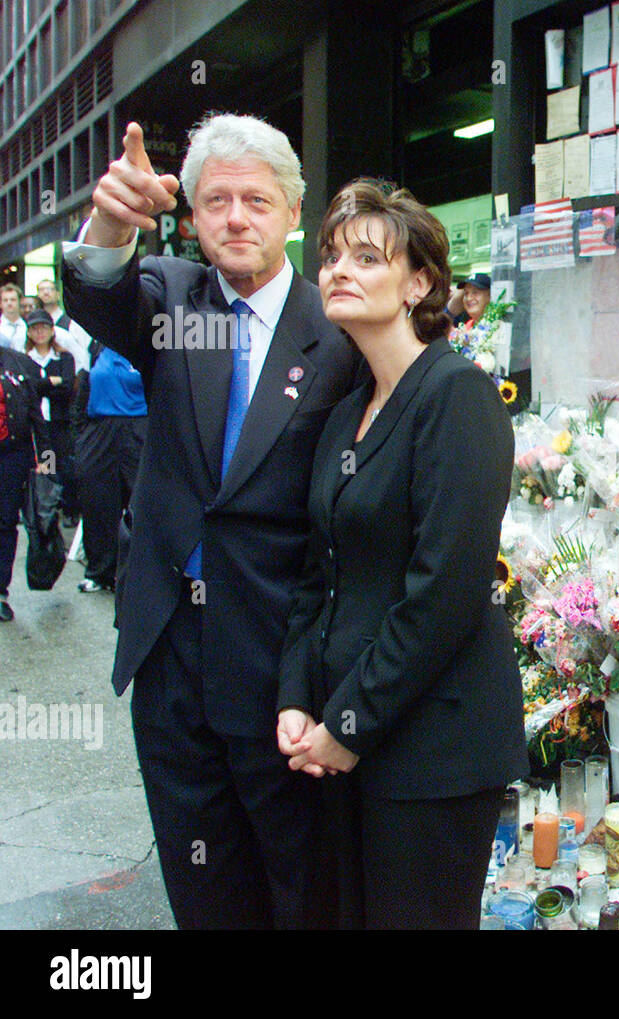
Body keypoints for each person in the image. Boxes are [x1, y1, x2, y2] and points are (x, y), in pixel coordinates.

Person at [62, 114, 362, 930]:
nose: (236, 217)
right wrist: (113, 220)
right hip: (170, 654)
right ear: (189, 215)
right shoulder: (169, 299)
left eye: (257, 201)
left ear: (294, 212)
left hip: (279, 660)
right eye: (216, 200)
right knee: (200, 881)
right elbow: (95, 284)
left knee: (298, 882)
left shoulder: (340, 334)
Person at [277, 180, 527, 930]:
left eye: (364, 256)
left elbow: (443, 591)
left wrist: (349, 725)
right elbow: (318, 575)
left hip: (433, 750)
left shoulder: (456, 396)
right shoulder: (346, 415)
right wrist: (297, 696)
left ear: (418, 283)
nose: (337, 271)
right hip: (347, 740)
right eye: (328, 257)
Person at [73, 340, 146, 593]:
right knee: (98, 502)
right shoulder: (96, 347)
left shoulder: (148, 344)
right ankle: (100, 572)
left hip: (140, 429)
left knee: (141, 503)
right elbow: (82, 391)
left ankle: (138, 573)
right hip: (101, 430)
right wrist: (82, 437)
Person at [0, 339, 49, 621]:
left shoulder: (17, 362)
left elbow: (36, 417)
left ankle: (0, 592)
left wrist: (47, 462)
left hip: (12, 457)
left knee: (5, 522)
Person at [22, 311, 76, 513]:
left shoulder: (63, 357)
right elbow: (28, 389)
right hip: (38, 423)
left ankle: (69, 506)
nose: (40, 332)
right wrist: (49, 382)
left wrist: (41, 386)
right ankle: (49, 505)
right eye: (35, 329)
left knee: (65, 463)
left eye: (44, 327)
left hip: (59, 421)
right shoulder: (26, 359)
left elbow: (68, 387)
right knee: (47, 462)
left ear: (52, 330)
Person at [0, 284, 25, 352]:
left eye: (13, 300)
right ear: (0, 304)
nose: (9, 303)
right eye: (5, 300)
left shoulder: (28, 325)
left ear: (20, 302)